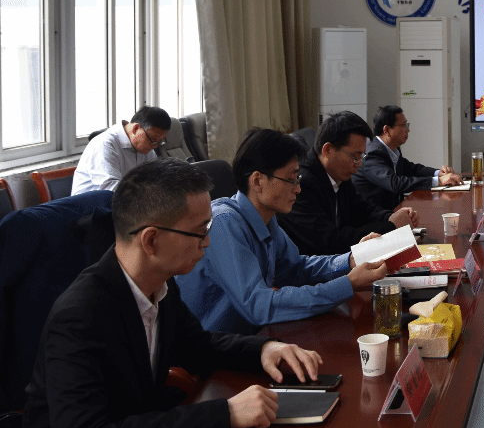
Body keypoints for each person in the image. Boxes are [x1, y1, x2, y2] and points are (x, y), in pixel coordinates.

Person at [18, 159, 324, 428]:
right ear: (151, 240)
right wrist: (225, 413)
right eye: (200, 231)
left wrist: (264, 350)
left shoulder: (160, 285)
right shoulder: (80, 317)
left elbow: (199, 346)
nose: (207, 242)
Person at [176, 129, 392, 334]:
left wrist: (350, 260)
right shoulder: (223, 223)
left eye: (297, 179)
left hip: (251, 339)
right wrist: (348, 284)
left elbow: (296, 268)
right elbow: (259, 305)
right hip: (214, 351)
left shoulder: (266, 219)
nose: (297, 188)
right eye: (290, 180)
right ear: (258, 181)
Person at [279, 111, 419, 256]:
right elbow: (330, 242)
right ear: (328, 150)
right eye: (355, 156)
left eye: (362, 156)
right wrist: (391, 226)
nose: (359, 164)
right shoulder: (300, 184)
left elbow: (361, 208)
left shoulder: (338, 173)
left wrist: (390, 216)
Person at [353, 105, 461, 210]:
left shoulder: (392, 148)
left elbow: (411, 169)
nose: (407, 130)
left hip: (394, 210)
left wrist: (438, 173)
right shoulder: (372, 154)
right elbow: (395, 183)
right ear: (386, 130)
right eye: (403, 125)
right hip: (374, 216)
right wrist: (439, 181)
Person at [72, 106, 171, 195]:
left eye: (159, 141)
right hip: (92, 207)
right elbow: (112, 189)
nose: (155, 146)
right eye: (153, 139)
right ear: (135, 129)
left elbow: (155, 179)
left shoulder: (146, 148)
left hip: (123, 204)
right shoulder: (104, 145)